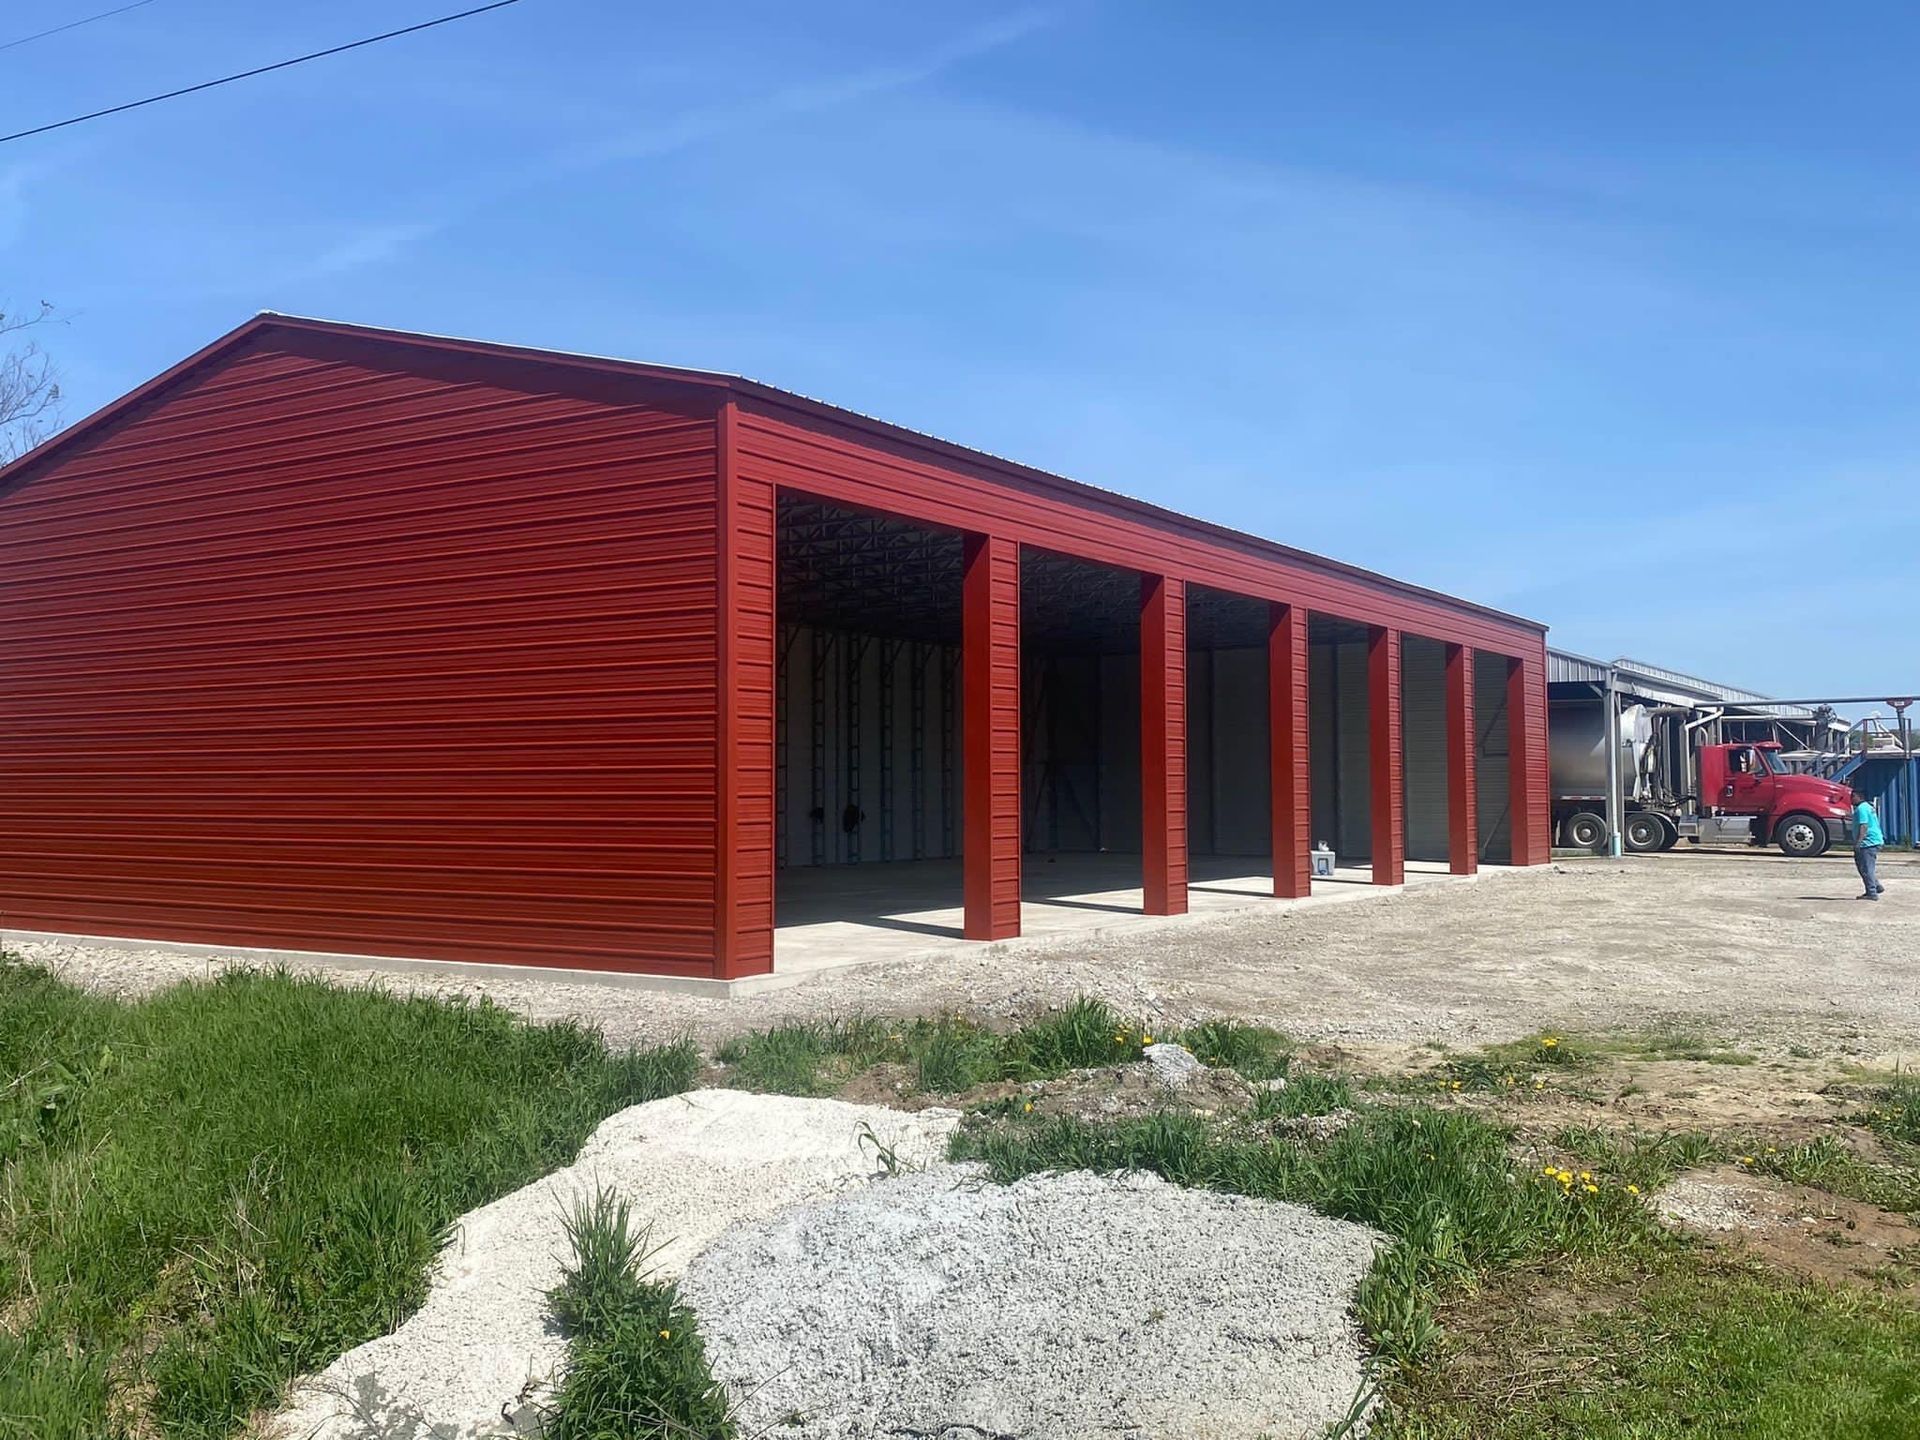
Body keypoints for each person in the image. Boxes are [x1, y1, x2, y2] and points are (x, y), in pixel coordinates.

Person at [1852, 791, 1886, 901]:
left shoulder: (1861, 809)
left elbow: (1864, 826)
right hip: (1874, 840)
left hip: (1868, 842)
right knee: (1865, 867)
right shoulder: (1868, 807)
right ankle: (1876, 886)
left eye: (1853, 796)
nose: (1851, 799)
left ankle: (1871, 892)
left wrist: (1858, 842)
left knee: (1866, 868)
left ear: (1859, 796)